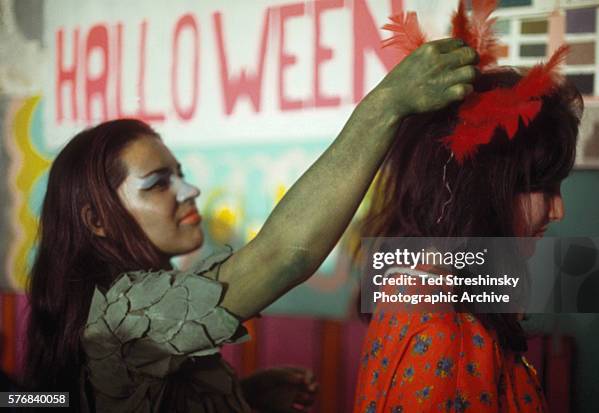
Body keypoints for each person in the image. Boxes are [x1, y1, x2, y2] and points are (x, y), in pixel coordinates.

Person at [22, 37, 478, 412]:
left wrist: (243, 398)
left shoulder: (124, 304)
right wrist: (385, 106)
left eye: (180, 173)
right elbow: (282, 255)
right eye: (159, 183)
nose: (189, 190)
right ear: (97, 220)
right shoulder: (120, 311)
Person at [352, 50, 583, 413]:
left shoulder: (408, 287)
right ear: (480, 190)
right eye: (545, 188)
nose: (559, 210)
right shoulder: (449, 338)